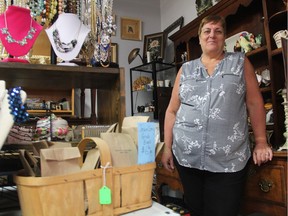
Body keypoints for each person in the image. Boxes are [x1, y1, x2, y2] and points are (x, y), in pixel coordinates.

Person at [161, 15, 273, 216]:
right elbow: (171, 110)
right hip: (187, 159)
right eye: (207, 31)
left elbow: (255, 103)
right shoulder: (185, 69)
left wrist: (261, 141)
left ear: (224, 37)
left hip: (228, 161)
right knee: (196, 210)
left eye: (218, 31)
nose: (212, 35)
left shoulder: (239, 62)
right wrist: (167, 148)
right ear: (200, 37)